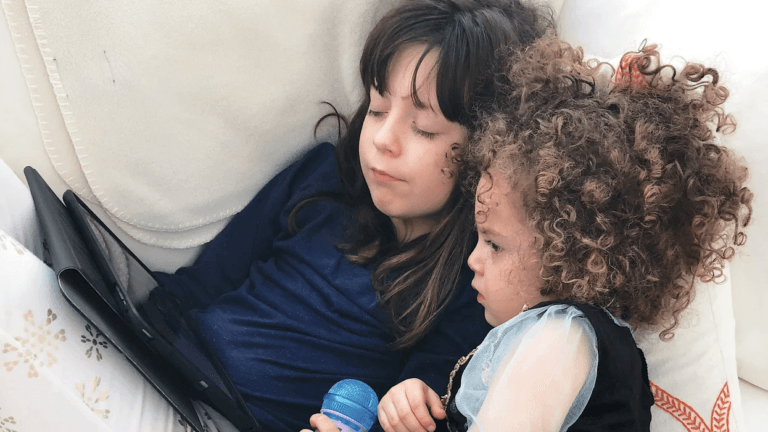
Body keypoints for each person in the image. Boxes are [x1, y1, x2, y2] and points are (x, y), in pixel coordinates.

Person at [147, 1, 554, 431]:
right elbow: (199, 286)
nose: (383, 139)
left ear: (485, 151)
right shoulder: (323, 178)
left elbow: (415, 410)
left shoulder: (471, 280)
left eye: (423, 129)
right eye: (377, 108)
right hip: (165, 370)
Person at [370, 37, 753, 432]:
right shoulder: (553, 339)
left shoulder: (561, 334)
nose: (474, 258)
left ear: (575, 256)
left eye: (494, 244)